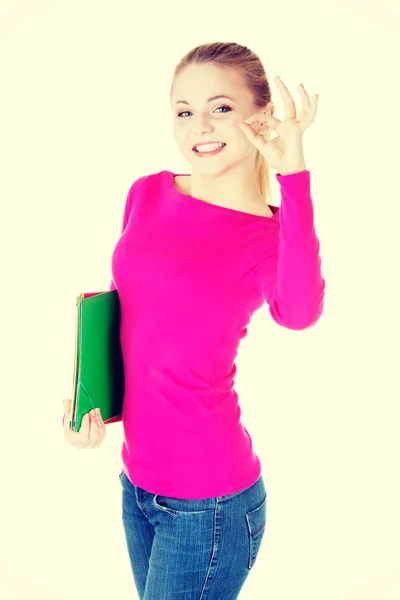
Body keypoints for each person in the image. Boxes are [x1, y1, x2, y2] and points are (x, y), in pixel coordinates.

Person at [62, 41, 325, 599]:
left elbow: (300, 314)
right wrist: (92, 403)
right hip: (137, 482)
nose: (198, 125)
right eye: (183, 110)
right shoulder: (147, 193)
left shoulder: (266, 238)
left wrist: (293, 174)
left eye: (220, 107)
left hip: (208, 504)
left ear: (261, 117)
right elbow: (130, 314)